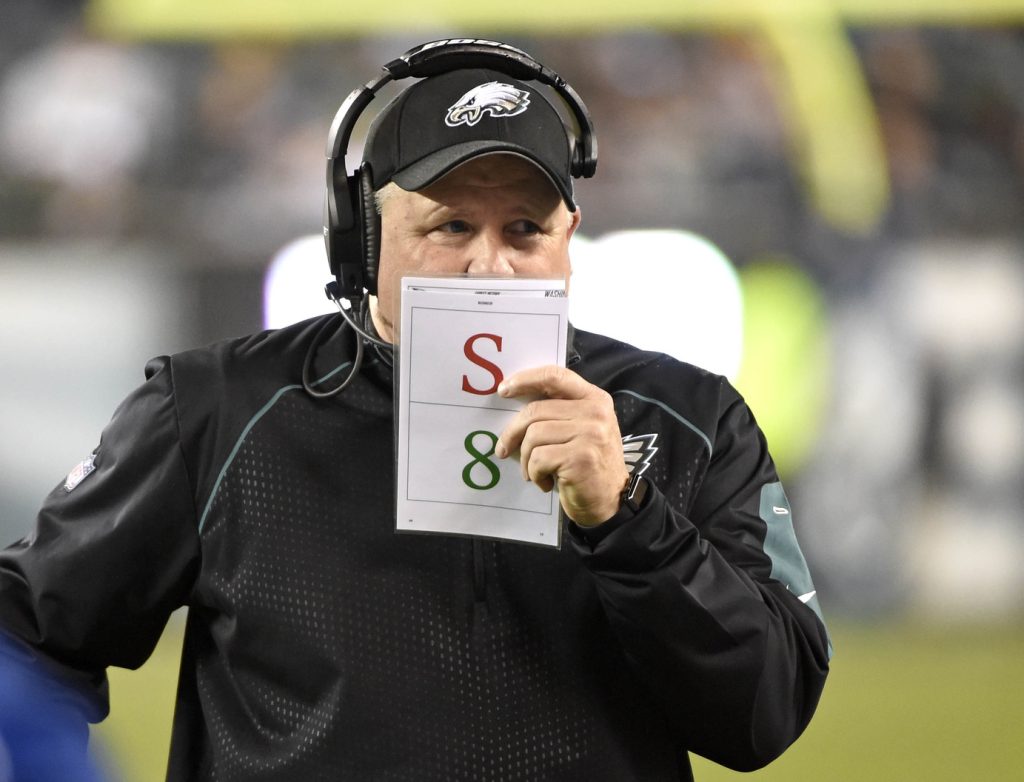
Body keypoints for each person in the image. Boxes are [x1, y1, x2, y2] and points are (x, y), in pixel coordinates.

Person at [0, 40, 830, 781]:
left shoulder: (687, 418)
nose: (489, 267)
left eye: (525, 229)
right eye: (451, 225)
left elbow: (765, 713)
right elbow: (27, 631)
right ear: (362, 236)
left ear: (569, 237)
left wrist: (628, 521)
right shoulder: (217, 409)